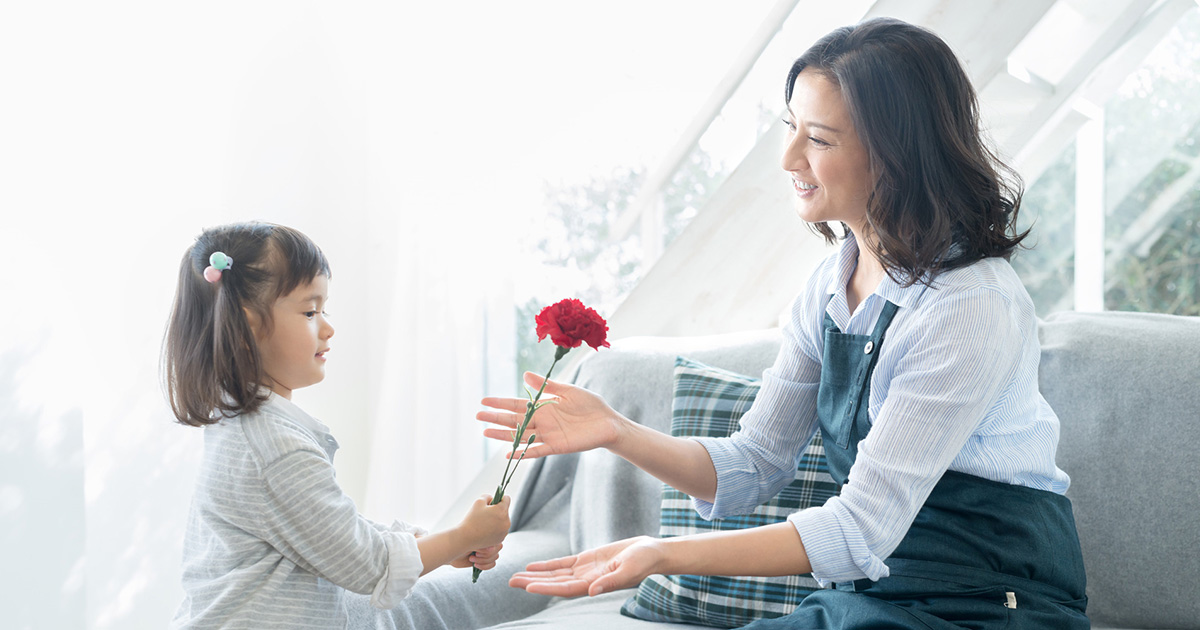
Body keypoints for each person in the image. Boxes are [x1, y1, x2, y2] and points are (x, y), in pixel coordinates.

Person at [478, 17, 1088, 629]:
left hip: (990, 604)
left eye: (819, 139)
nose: (789, 157)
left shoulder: (970, 305)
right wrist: (615, 430)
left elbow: (858, 529)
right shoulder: (828, 286)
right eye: (790, 127)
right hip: (878, 594)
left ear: (898, 156)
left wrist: (662, 554)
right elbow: (752, 463)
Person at [164, 222, 511, 629]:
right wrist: (461, 538)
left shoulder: (241, 426)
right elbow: (367, 566)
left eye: (324, 310)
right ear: (248, 327)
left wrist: (436, 543)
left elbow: (337, 531)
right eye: (310, 311)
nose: (328, 327)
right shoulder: (275, 448)